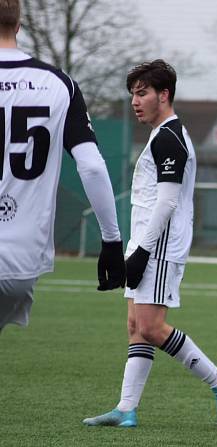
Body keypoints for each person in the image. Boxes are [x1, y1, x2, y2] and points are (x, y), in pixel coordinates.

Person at [82, 60, 217, 428]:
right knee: (137, 325)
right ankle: (126, 408)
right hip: (147, 242)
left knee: (152, 327)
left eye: (142, 93)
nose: (135, 101)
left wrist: (142, 251)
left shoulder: (170, 136)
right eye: (133, 94)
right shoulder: (160, 135)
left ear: (163, 95)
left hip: (161, 246)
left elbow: (168, 202)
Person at [0, 0, 125, 334]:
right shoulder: (59, 84)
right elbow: (93, 168)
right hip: (23, 263)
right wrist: (111, 242)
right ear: (19, 24)